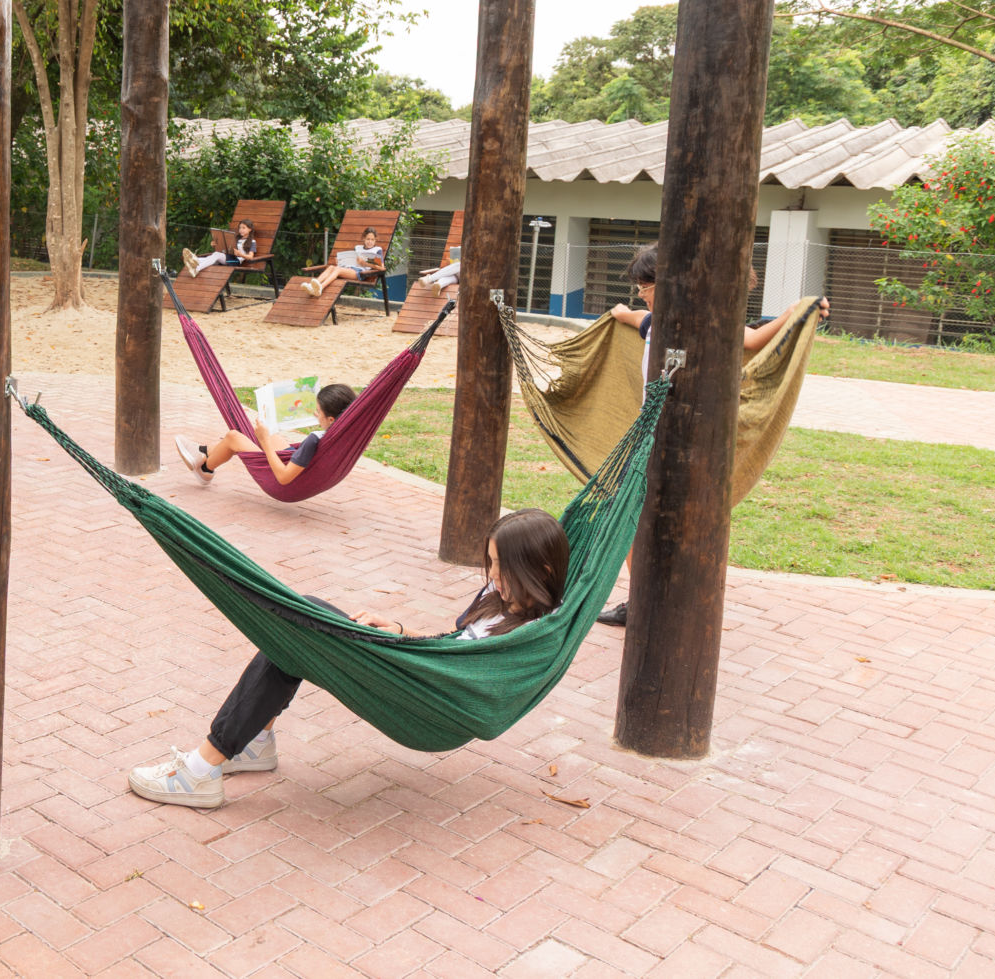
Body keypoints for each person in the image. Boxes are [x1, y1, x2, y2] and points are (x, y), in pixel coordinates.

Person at [125, 509, 570, 809]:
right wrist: (401, 631)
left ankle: (201, 771)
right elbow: (454, 643)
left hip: (428, 701)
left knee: (300, 620)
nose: (492, 576)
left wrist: (403, 655)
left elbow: (467, 673)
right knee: (293, 633)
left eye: (501, 566)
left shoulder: (530, 636)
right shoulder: (500, 597)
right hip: (416, 670)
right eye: (491, 563)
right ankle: (252, 743)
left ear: (541, 571)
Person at [596, 243, 830, 627]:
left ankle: (650, 601)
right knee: (632, 519)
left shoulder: (704, 324)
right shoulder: (655, 322)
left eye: (645, 286)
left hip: (681, 445)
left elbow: (752, 340)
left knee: (647, 520)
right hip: (648, 437)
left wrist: (796, 312)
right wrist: (621, 313)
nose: (640, 294)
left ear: (669, 285)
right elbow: (637, 317)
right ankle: (644, 598)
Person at [173, 383, 356, 488]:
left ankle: (205, 468)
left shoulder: (313, 440)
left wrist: (264, 441)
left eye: (318, 411)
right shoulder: (347, 433)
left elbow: (283, 477)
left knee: (234, 437)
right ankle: (203, 451)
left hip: (285, 480)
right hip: (300, 467)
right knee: (265, 432)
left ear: (331, 419)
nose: (315, 414)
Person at [301, 226, 385, 298]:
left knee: (337, 269)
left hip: (360, 272)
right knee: (331, 267)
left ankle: (321, 288)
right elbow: (352, 260)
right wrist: (341, 261)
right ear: (364, 238)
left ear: (375, 240)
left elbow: (382, 268)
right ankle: (312, 286)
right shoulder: (358, 248)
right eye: (368, 239)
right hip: (350, 268)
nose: (370, 242)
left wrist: (365, 263)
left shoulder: (377, 250)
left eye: (372, 239)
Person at [183, 219, 259, 277]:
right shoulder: (236, 238)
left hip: (235, 261)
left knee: (216, 255)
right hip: (228, 256)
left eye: (243, 228)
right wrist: (215, 245)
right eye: (240, 228)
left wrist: (240, 254)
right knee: (213, 256)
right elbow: (226, 248)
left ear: (250, 229)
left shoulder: (252, 241)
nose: (241, 230)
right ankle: (194, 259)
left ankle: (196, 268)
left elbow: (250, 257)